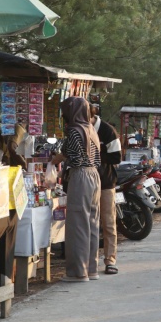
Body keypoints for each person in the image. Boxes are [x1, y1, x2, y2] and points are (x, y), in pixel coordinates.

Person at [49, 97, 101, 282]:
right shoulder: (91, 129)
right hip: (95, 176)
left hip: (81, 176)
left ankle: (78, 272)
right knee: (92, 222)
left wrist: (53, 162)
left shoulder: (74, 130)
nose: (64, 115)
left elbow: (67, 154)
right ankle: (91, 269)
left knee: (78, 223)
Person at [91, 103, 122, 275]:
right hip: (87, 183)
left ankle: (110, 260)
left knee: (109, 223)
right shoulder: (80, 129)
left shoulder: (107, 131)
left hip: (106, 182)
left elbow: (116, 156)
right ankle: (91, 260)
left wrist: (95, 154)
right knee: (90, 223)